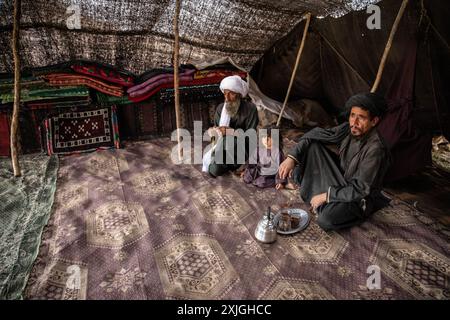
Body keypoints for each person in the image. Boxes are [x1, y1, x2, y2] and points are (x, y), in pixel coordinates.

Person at [278, 92, 391, 231]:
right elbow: (314, 134)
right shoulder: (348, 129)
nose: (354, 122)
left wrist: (326, 196)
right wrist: (291, 158)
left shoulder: (376, 149)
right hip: (341, 180)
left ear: (374, 121)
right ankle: (323, 198)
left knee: (326, 220)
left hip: (359, 197)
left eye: (361, 118)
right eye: (352, 115)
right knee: (312, 146)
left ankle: (325, 201)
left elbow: (360, 189)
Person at [202, 75, 259, 177]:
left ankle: (237, 165)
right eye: (225, 93)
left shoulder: (250, 109)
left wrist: (230, 132)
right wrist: (213, 132)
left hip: (242, 149)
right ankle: (225, 163)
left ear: (239, 94)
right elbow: (217, 134)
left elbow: (251, 136)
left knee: (227, 140)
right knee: (214, 170)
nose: (227, 98)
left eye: (231, 93)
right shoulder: (220, 108)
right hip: (222, 149)